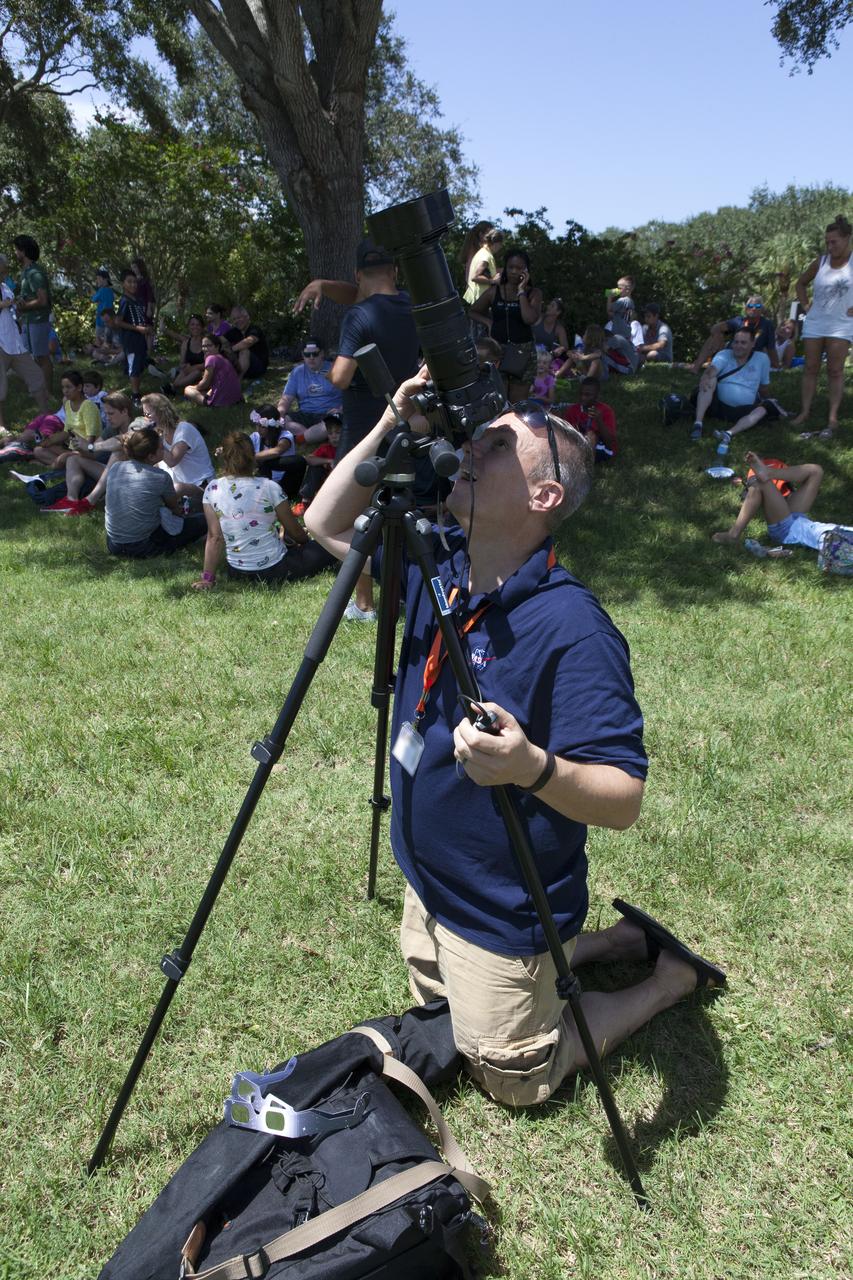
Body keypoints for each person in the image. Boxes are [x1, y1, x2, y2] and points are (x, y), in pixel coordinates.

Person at [305, 369, 724, 1107]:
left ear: (544, 495)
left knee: (512, 1078)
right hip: (432, 876)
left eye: (497, 447)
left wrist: (530, 766)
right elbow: (325, 524)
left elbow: (622, 799)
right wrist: (388, 426)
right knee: (443, 1012)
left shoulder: (572, 628)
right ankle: (603, 947)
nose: (470, 448)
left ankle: (669, 978)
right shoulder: (442, 564)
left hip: (504, 903)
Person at [294, 238, 420, 621]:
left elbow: (342, 378)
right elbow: (367, 296)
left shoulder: (358, 318)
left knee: (353, 516)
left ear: (358, 274)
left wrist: (332, 364)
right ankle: (397, 592)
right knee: (397, 508)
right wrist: (324, 286)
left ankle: (367, 603)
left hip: (365, 428)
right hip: (407, 422)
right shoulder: (410, 305)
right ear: (394, 273)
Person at [192, 430, 334, 590]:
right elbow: (295, 531)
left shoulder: (212, 489)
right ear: (253, 456)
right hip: (275, 570)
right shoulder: (269, 487)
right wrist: (306, 545)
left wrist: (207, 578)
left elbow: (214, 537)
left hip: (237, 572)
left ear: (224, 458)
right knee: (327, 546)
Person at [712, 452, 850, 559]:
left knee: (761, 483)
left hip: (787, 531)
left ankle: (733, 534)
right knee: (815, 471)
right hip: (799, 519)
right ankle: (768, 472)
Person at [791, 214, 853, 440]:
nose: (830, 246)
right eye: (827, 242)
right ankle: (805, 412)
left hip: (842, 324)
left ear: (847, 238)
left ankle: (833, 417)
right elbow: (800, 283)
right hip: (816, 322)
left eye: (834, 241)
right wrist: (806, 305)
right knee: (810, 367)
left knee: (835, 370)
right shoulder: (821, 262)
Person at [104, 422, 206, 558]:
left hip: (113, 544)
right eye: (161, 448)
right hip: (144, 546)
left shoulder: (116, 467)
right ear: (151, 456)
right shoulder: (160, 477)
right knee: (204, 520)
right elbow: (175, 509)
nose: (164, 448)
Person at [39, 390, 133, 514]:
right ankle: (71, 500)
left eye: (111, 414)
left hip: (131, 478)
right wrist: (81, 448)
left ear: (125, 412)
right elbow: (93, 455)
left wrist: (90, 447)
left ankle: (89, 501)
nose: (108, 418)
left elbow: (119, 442)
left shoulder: (136, 425)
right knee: (73, 459)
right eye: (106, 414)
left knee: (118, 451)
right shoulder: (112, 429)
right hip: (113, 475)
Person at [470, 249, 543, 400]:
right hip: (497, 350)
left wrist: (521, 291)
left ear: (526, 271)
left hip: (522, 352)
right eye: (511, 267)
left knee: (517, 404)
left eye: (519, 268)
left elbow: (530, 319)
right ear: (505, 268)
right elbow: (472, 311)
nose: (514, 272)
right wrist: (489, 322)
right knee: (499, 400)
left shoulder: (533, 293)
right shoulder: (494, 291)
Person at [689, 328, 779, 448]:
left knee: (764, 408)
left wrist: (768, 400)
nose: (738, 346)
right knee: (711, 379)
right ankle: (698, 423)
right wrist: (705, 376)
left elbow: (763, 388)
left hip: (743, 411)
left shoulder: (762, 359)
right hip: (717, 406)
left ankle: (729, 433)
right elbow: (712, 370)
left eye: (743, 342)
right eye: (735, 342)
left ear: (753, 344)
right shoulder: (724, 354)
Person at [0, 263, 49, 431]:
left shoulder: (5, 287)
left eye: (4, 271)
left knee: (37, 377)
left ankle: (46, 418)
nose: (4, 274)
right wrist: (4, 304)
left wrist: (17, 306)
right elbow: (4, 305)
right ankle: (1, 428)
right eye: (2, 271)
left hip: (15, 342)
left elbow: (12, 311)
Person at [142, 392, 214, 505]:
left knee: (177, 489)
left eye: (148, 414)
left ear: (161, 411)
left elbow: (172, 460)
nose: (146, 418)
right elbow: (155, 463)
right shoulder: (161, 434)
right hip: (177, 489)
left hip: (201, 486)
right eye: (144, 414)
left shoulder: (184, 429)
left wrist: (155, 439)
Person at [689, 295, 779, 374]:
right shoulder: (739, 320)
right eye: (751, 305)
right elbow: (715, 328)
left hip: (750, 357)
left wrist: (776, 364)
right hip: (731, 353)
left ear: (762, 309)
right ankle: (695, 368)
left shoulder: (767, 324)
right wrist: (717, 338)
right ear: (746, 308)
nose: (754, 308)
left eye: (757, 306)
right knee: (713, 337)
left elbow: (771, 348)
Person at [12, 235, 53, 392]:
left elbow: (42, 300)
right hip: (30, 321)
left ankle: (48, 392)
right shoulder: (27, 271)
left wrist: (23, 307)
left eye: (17, 250)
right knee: (33, 358)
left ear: (23, 251)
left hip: (38, 320)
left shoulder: (34, 273)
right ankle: (38, 389)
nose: (15, 253)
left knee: (42, 357)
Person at [276, 340, 341, 427]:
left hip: (328, 414)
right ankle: (310, 435)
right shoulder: (297, 372)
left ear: (322, 353)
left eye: (315, 354)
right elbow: (286, 399)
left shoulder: (335, 368)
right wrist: (279, 414)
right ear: (303, 355)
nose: (311, 357)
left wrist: (341, 410)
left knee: (332, 424)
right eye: (307, 354)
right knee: (284, 422)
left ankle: (303, 436)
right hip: (305, 415)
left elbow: (350, 395)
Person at [557, 376, 617, 462]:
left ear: (597, 395)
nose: (583, 398)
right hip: (578, 445)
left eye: (588, 395)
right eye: (581, 394)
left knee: (591, 435)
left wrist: (599, 420)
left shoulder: (606, 411)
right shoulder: (573, 409)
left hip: (602, 448)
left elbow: (610, 443)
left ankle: (585, 464)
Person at [113, 269, 152, 398]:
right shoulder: (125, 300)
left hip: (140, 339)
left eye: (135, 282)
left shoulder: (138, 300)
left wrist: (145, 328)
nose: (133, 285)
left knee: (140, 365)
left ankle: (134, 388)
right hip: (131, 339)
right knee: (134, 366)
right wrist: (137, 328)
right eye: (129, 282)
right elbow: (118, 321)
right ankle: (135, 395)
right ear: (123, 284)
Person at [294, 410, 342, 513]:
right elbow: (309, 459)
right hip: (325, 482)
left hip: (342, 484)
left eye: (338, 432)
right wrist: (329, 461)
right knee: (315, 467)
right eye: (330, 433)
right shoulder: (326, 448)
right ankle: (305, 502)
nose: (334, 436)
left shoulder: (350, 447)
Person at [182, 333, 243, 409]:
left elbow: (205, 383)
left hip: (221, 403)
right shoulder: (223, 358)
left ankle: (210, 403)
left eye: (209, 346)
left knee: (187, 389)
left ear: (217, 347)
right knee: (204, 390)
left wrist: (194, 388)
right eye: (203, 346)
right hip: (237, 400)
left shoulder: (211, 358)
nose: (205, 349)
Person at [460, 223, 504, 306]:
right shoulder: (483, 254)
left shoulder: (483, 252)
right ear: (481, 235)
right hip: (479, 297)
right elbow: (473, 276)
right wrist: (493, 280)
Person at [162, 314, 206, 395]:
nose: (195, 327)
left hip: (203, 372)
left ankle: (173, 386)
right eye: (192, 324)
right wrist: (185, 366)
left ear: (202, 327)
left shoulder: (206, 342)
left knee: (196, 372)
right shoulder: (186, 343)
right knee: (185, 371)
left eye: (198, 325)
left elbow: (208, 364)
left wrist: (194, 367)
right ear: (189, 327)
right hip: (188, 371)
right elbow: (182, 363)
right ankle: (173, 387)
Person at [226, 305, 269, 380]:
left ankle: (237, 381)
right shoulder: (234, 331)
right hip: (241, 366)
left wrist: (231, 349)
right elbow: (218, 340)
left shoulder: (255, 329)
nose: (236, 321)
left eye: (239, 318)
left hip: (257, 367)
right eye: (234, 319)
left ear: (247, 317)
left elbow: (249, 341)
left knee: (244, 351)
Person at [91, 269, 115, 344]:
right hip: (110, 319)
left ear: (105, 279)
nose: (97, 281)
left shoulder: (101, 290)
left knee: (99, 341)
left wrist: (94, 291)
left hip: (100, 320)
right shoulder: (111, 291)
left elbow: (93, 299)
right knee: (107, 341)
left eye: (99, 278)